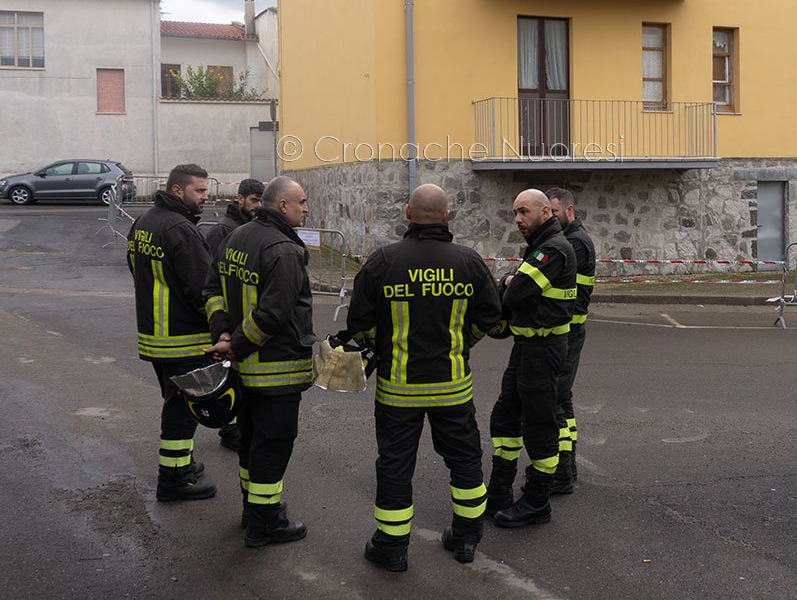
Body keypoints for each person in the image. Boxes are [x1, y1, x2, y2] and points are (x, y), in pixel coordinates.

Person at [347, 184, 502, 572]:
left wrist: (380, 348)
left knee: (395, 466)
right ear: (447, 216)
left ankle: (391, 547)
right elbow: (490, 317)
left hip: (398, 390)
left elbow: (359, 323)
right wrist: (462, 343)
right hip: (453, 387)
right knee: (466, 461)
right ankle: (466, 539)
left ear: (407, 213)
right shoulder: (468, 262)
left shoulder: (383, 261)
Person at [203, 176, 316, 548]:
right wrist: (234, 344)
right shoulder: (284, 250)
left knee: (252, 441)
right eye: (301, 201)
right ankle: (266, 523)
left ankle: (253, 510)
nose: (306, 207)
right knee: (273, 443)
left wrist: (223, 334)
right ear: (281, 206)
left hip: (243, 369)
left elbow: (213, 290)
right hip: (274, 370)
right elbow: (273, 314)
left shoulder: (237, 236)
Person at [486, 188, 576, 527]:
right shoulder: (539, 247)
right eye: (515, 213)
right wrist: (510, 282)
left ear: (546, 213)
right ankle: (499, 491)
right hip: (526, 347)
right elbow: (513, 292)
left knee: (540, 426)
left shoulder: (553, 249)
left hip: (543, 349)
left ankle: (538, 501)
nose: (518, 219)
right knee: (505, 417)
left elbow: (517, 293)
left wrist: (510, 282)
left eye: (524, 212)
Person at [127, 163, 217, 502]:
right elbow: (202, 289)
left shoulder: (145, 222)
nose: (206, 198)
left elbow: (134, 268)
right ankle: (174, 479)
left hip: (153, 336)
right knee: (182, 409)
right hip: (183, 339)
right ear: (177, 190)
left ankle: (184, 465)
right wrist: (221, 329)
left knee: (175, 402)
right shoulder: (180, 229)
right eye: (200, 191)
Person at [204, 177, 264, 452]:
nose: (258, 206)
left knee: (241, 380)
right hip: (227, 322)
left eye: (262, 201)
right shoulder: (222, 232)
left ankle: (237, 427)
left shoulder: (250, 230)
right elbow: (211, 280)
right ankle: (230, 429)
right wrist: (221, 326)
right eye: (253, 200)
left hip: (244, 323)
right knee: (229, 377)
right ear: (239, 199)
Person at [545, 187, 597, 494]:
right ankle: (568, 467)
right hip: (569, 332)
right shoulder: (572, 239)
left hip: (568, 334)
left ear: (569, 210)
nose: (550, 217)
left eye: (553, 212)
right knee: (562, 399)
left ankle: (561, 473)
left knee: (555, 401)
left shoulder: (575, 244)